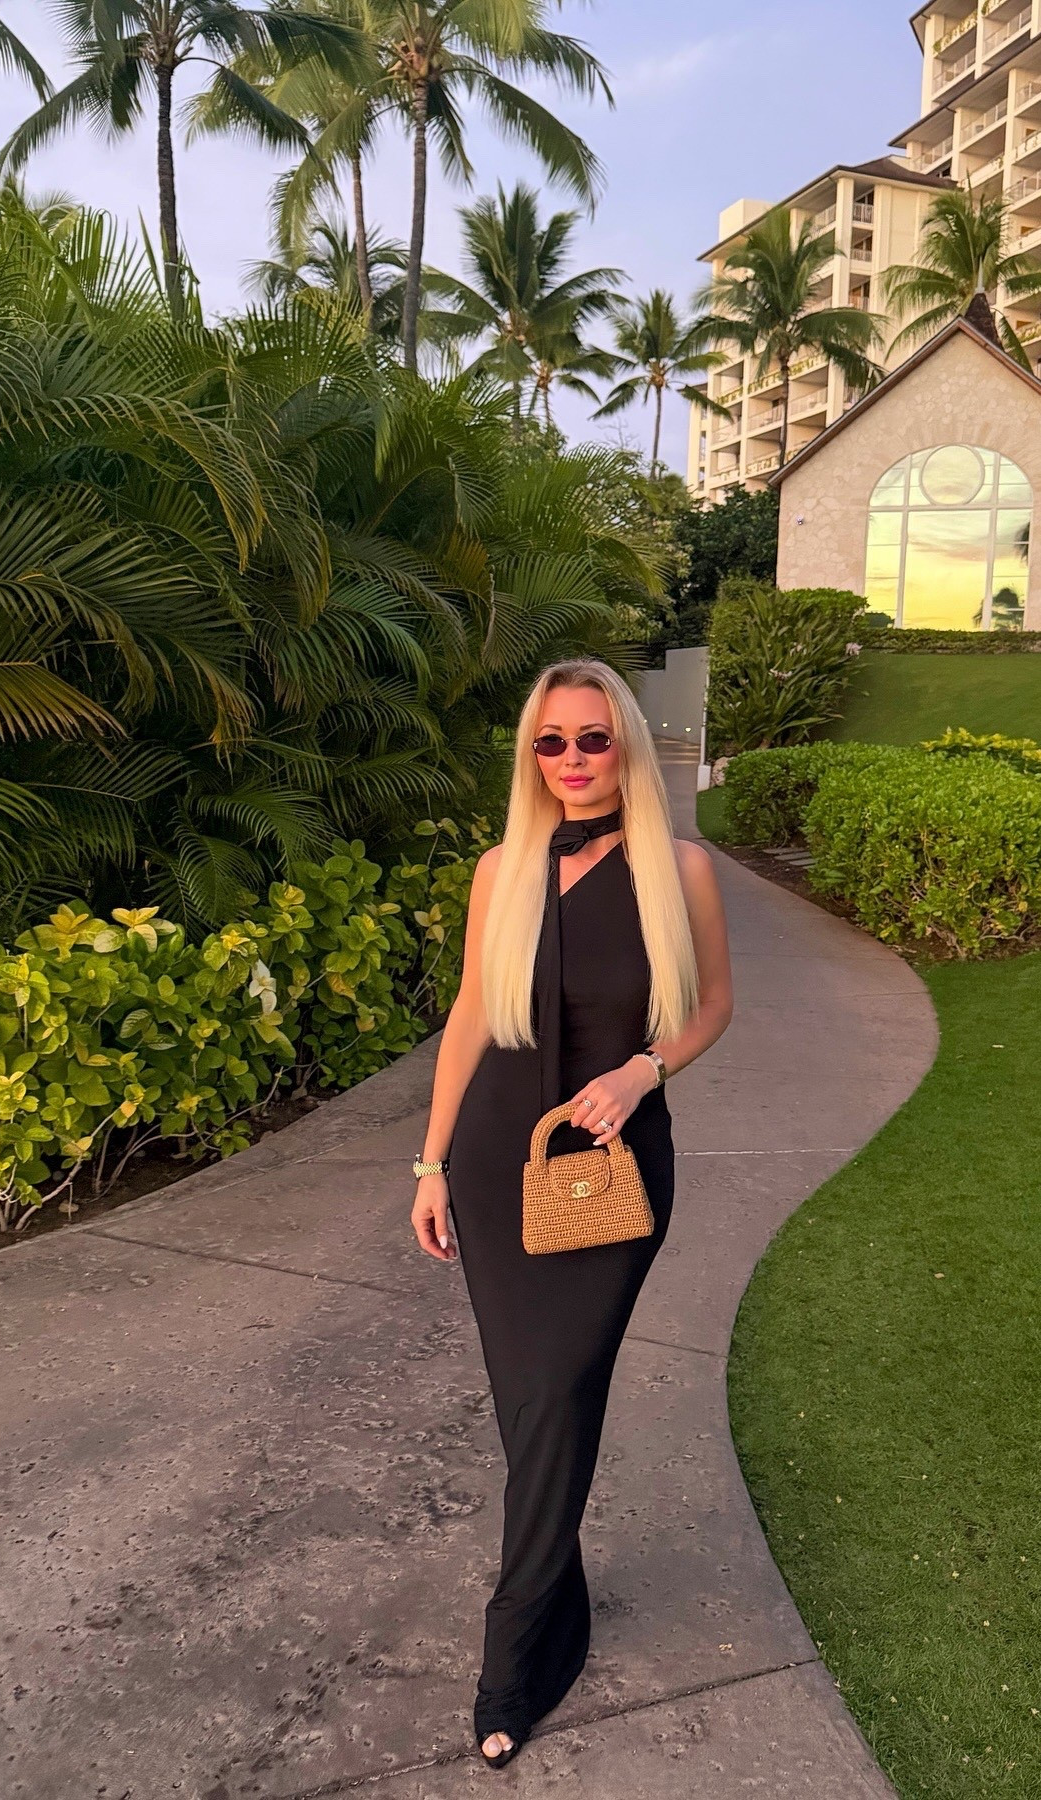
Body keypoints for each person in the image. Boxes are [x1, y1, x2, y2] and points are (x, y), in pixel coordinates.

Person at [410, 656, 733, 1769]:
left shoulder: (677, 869)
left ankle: (511, 1662)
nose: (573, 759)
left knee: (555, 1392)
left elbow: (714, 1005)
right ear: (530, 756)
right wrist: (431, 1162)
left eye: (593, 737)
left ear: (626, 743)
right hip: (497, 1162)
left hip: (609, 1171)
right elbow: (469, 1014)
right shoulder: (500, 869)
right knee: (532, 1410)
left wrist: (645, 1070)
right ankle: (561, 1606)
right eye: (550, 742)